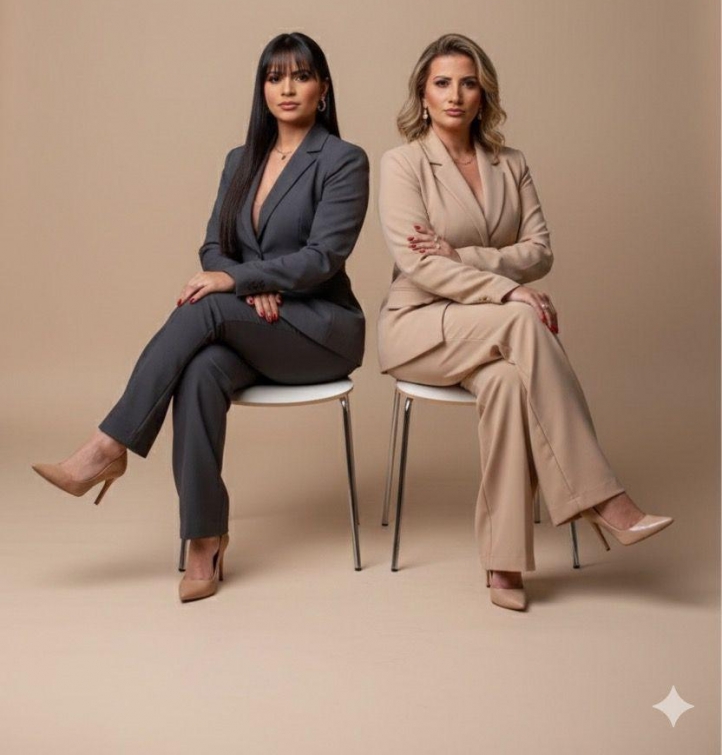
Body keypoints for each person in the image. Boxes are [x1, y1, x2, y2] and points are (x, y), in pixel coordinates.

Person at [33, 32, 370, 603]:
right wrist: (245, 285)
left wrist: (241, 281)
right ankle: (204, 539)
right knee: (200, 369)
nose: (287, 88)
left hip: (320, 332)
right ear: (262, 89)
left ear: (324, 88)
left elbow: (323, 258)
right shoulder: (240, 160)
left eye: (301, 75)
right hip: (254, 327)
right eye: (274, 77)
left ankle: (106, 448)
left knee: (207, 303)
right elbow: (213, 248)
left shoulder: (342, 160)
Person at [377, 33, 672, 611]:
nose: (455, 95)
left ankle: (504, 560)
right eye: (442, 83)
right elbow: (420, 265)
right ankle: (604, 499)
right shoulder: (402, 163)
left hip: (489, 331)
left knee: (511, 383)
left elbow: (541, 251)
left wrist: (464, 256)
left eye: (468, 83)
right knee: (522, 321)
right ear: (423, 94)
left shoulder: (510, 164)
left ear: (483, 94)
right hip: (421, 325)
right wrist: (507, 287)